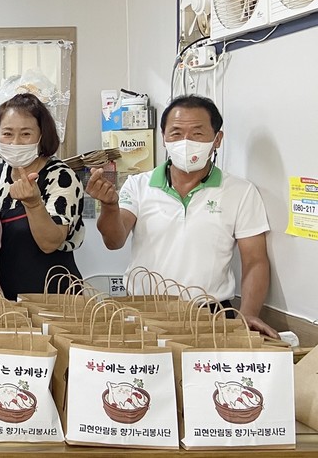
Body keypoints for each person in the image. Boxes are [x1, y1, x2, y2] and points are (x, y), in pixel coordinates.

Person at [86, 95, 277, 337]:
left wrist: (248, 314)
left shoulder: (240, 192)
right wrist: (109, 206)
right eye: (176, 133)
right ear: (164, 138)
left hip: (211, 316)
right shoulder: (138, 185)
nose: (186, 142)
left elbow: (255, 261)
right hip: (144, 313)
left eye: (197, 133)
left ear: (217, 139)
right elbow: (114, 241)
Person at [0, 93, 85, 300]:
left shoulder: (61, 177)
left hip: (54, 295)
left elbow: (50, 242)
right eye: (7, 134)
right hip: (5, 294)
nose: (16, 142)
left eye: (26, 134)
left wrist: (33, 204)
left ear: (41, 135)